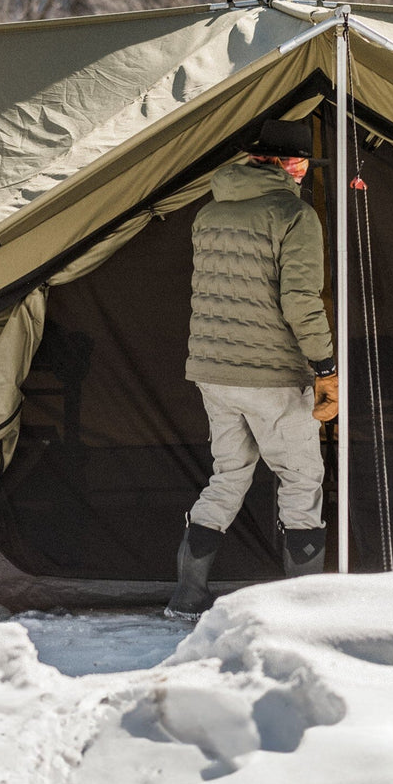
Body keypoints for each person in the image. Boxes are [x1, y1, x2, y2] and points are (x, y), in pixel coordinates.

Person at [166, 119, 339, 620]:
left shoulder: (208, 214)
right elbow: (301, 301)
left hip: (212, 369)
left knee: (228, 475)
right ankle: (304, 608)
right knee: (301, 479)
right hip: (273, 376)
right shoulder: (295, 215)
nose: (306, 172)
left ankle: (188, 595)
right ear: (288, 164)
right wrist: (325, 367)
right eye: (303, 163)